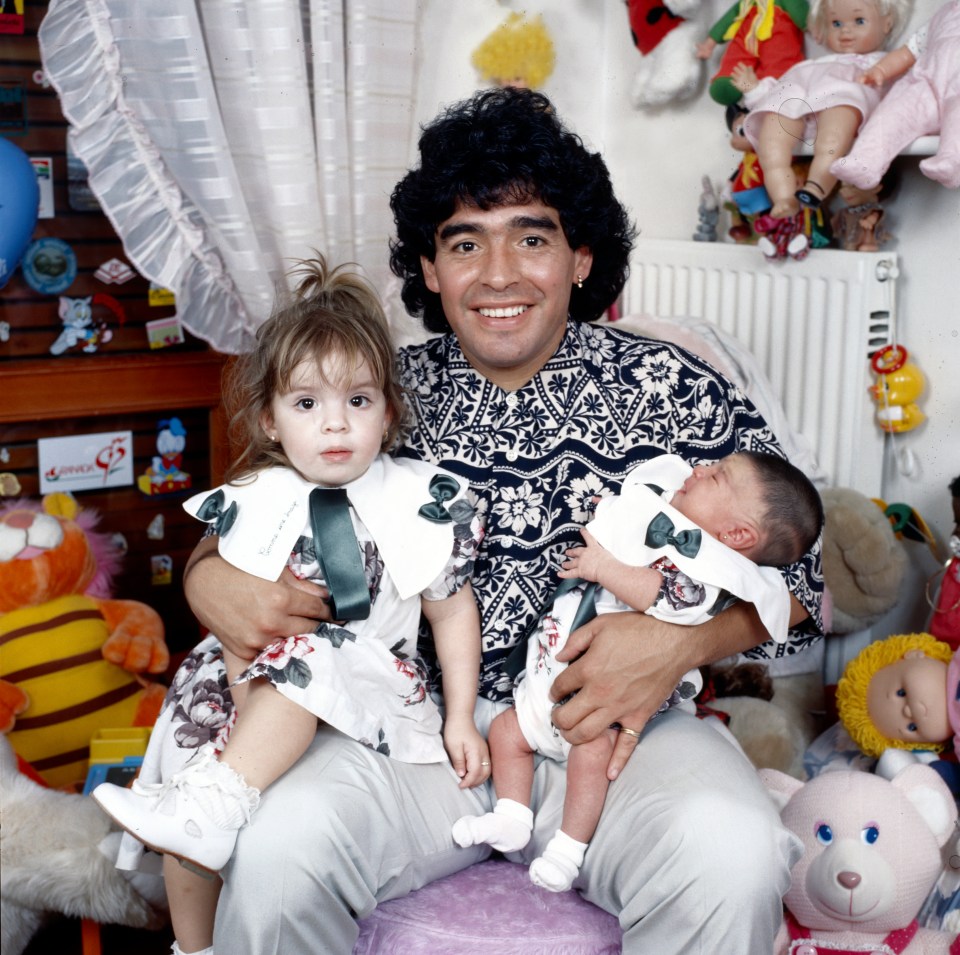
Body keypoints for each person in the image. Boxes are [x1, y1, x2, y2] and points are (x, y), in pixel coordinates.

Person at [178, 87, 824, 954]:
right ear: (431, 269)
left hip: (617, 735)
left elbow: (804, 581)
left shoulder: (674, 385)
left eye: (532, 235)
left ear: (583, 256)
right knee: (277, 850)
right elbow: (249, 516)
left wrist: (676, 647)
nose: (498, 274)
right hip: (406, 733)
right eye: (464, 242)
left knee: (733, 853)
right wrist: (205, 576)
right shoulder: (378, 387)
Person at [96, 257, 488, 955]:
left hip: (367, 685)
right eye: (307, 404)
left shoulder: (417, 497)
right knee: (201, 778)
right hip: (250, 686)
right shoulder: (253, 497)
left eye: (358, 402)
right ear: (271, 420)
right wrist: (241, 691)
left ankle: (217, 801)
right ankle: (194, 943)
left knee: (302, 658)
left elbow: (451, 611)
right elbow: (232, 611)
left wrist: (461, 715)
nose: (335, 425)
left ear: (388, 410)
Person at [452, 451, 824, 892]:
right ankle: (512, 816)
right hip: (542, 678)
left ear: (738, 534)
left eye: (718, 476)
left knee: (591, 759)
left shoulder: (710, 568)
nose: (699, 468)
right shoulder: (661, 505)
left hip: (608, 702)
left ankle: (568, 849)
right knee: (507, 731)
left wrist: (603, 568)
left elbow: (664, 596)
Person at [732, 0, 909, 218]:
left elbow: (905, 93)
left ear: (887, 23)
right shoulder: (811, 65)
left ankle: (816, 186)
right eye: (835, 23)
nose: (845, 30)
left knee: (834, 130)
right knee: (772, 141)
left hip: (840, 108)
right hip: (798, 108)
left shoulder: (882, 64)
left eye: (859, 21)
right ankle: (783, 197)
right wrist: (754, 90)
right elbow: (777, 91)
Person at [830, 0, 960, 191]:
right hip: (926, 83)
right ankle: (864, 161)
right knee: (893, 111)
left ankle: (952, 161)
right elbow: (909, 52)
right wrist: (881, 69)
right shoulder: (943, 14)